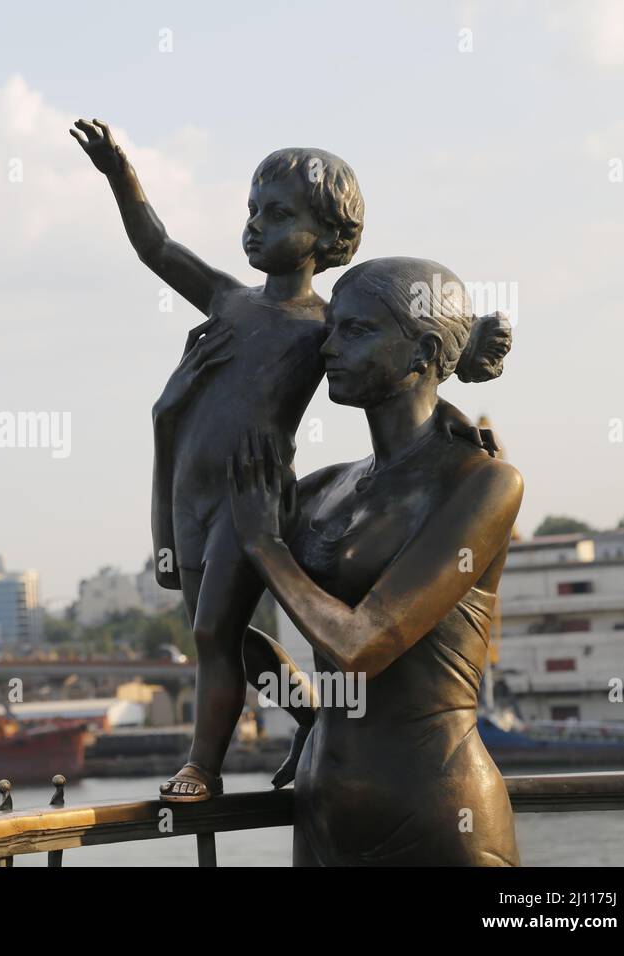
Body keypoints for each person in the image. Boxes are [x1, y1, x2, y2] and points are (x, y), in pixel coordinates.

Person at [70, 119, 484, 801]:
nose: (256, 226)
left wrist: (463, 422)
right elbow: (158, 247)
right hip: (187, 492)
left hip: (249, 496)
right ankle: (309, 715)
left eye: (278, 214)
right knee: (220, 633)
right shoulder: (228, 299)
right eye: (253, 211)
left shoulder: (325, 325)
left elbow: (416, 354)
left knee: (210, 633)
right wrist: (122, 177)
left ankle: (200, 767)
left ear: (326, 239)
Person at [227, 257, 520, 865]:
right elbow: (211, 611)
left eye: (355, 331)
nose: (327, 348)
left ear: (424, 352)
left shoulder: (482, 484)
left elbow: (363, 647)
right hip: (322, 808)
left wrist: (265, 545)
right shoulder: (323, 488)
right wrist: (308, 711)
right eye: (331, 328)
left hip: (437, 812)